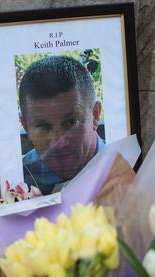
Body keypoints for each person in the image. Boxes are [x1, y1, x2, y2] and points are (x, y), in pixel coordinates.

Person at [19, 55, 105, 194]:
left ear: (95, 115)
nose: (59, 141)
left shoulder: (131, 171)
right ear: (25, 126)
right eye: (43, 126)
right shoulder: (16, 178)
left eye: (71, 122)